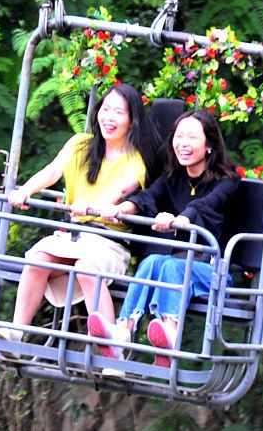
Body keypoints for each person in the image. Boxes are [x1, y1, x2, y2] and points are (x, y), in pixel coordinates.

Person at [0, 83, 162, 360]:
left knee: (86, 267)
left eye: (118, 112)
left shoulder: (135, 159)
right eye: (105, 109)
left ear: (131, 121)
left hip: (107, 241)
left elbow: (119, 193)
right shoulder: (80, 144)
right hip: (73, 236)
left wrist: (92, 207)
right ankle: (17, 330)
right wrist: (25, 190)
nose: (109, 117)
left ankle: (113, 351)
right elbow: (53, 170)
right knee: (39, 258)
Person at [85, 109, 239, 366]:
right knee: (152, 262)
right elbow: (148, 197)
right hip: (179, 266)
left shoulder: (227, 182)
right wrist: (120, 209)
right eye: (179, 136)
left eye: (192, 137)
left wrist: (182, 219)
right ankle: (123, 330)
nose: (183, 144)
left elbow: (206, 205)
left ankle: (170, 332)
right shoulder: (173, 177)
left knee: (171, 265)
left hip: (213, 270)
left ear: (209, 145)